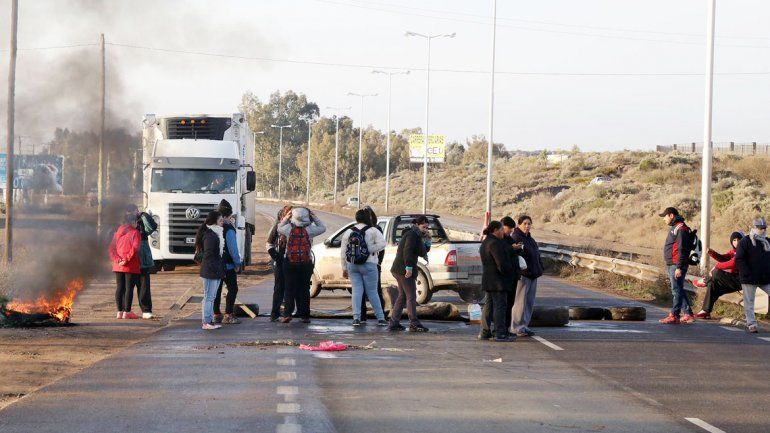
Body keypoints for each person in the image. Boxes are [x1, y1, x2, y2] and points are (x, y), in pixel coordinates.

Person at [277, 207, 326, 323]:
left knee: (289, 288)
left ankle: (287, 314)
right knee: (304, 289)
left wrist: (286, 217)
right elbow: (323, 228)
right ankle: (305, 315)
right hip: (306, 262)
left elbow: (279, 228)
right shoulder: (310, 230)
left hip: (290, 262)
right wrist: (314, 217)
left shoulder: (288, 229)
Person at [341, 208, 388, 326]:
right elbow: (382, 244)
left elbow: (343, 251)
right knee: (372, 292)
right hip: (370, 264)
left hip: (353, 265)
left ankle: (356, 318)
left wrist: (344, 268)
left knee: (357, 291)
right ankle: (381, 318)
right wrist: (368, 250)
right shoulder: (373, 230)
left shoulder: (348, 231)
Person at [388, 215, 431, 332]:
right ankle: (414, 323)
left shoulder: (417, 235)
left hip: (399, 269)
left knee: (402, 296)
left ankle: (394, 322)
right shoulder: (412, 235)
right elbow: (408, 251)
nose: (425, 229)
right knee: (411, 296)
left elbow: (422, 251)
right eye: (424, 227)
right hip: (403, 269)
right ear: (417, 225)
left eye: (427, 228)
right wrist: (408, 267)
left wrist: (427, 240)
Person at [478, 221, 517, 342]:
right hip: (498, 281)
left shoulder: (486, 242)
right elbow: (501, 264)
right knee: (500, 306)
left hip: (489, 280)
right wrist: (510, 271)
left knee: (488, 306)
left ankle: (484, 332)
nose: (503, 232)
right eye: (501, 230)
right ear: (495, 230)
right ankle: (499, 333)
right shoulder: (495, 243)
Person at [658, 207, 696, 324]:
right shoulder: (677, 227)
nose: (663, 219)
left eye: (664, 216)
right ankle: (688, 314)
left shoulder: (681, 228)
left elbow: (682, 249)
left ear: (671, 215)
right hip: (673, 264)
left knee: (676, 290)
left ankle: (674, 315)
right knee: (678, 289)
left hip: (676, 264)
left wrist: (679, 267)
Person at [693, 231, 744, 319]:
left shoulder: (744, 251)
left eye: (739, 240)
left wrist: (716, 267)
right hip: (733, 280)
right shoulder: (734, 251)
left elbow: (734, 263)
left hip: (741, 281)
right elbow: (724, 258)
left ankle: (705, 280)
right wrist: (712, 253)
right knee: (712, 284)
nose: (737, 242)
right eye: (734, 240)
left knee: (716, 272)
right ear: (731, 242)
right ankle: (705, 311)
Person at [510, 215, 544, 337]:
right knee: (520, 302)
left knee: (529, 302)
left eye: (529, 224)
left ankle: (524, 325)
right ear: (519, 224)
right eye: (524, 223)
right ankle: (516, 327)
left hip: (533, 275)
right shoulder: (516, 237)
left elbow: (537, 255)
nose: (527, 226)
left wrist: (540, 268)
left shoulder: (530, 239)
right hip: (523, 276)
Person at [735, 217, 770, 333]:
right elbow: (739, 259)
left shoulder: (768, 242)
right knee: (749, 302)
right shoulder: (745, 241)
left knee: (750, 301)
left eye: (764, 228)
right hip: (749, 278)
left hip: (765, 278)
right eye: (760, 228)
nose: (763, 230)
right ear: (754, 228)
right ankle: (752, 324)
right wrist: (746, 273)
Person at [212, 200, 243, 325]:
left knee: (217, 290)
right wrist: (237, 263)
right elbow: (233, 249)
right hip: (228, 265)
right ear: (227, 216)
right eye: (231, 217)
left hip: (215, 264)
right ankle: (228, 314)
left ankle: (216, 314)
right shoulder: (229, 229)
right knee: (233, 289)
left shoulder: (213, 227)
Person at [109, 205, 142, 320]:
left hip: (118, 265)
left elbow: (111, 249)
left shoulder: (117, 233)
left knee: (119, 288)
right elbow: (135, 248)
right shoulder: (135, 233)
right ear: (133, 222)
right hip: (130, 265)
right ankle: (127, 312)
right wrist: (126, 259)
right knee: (129, 288)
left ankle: (119, 312)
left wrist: (118, 260)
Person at [195, 210, 225, 330]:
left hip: (214, 270)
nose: (222, 222)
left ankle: (209, 320)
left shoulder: (215, 233)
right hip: (210, 271)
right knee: (208, 297)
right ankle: (206, 321)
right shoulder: (210, 235)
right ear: (214, 221)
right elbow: (208, 255)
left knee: (211, 297)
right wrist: (215, 269)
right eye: (220, 220)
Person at [360, 205, 386, 321]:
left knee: (360, 291)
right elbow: (382, 248)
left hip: (359, 263)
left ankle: (361, 315)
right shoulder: (377, 229)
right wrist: (379, 262)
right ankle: (381, 315)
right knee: (376, 291)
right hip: (374, 264)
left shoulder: (358, 229)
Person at [267, 205, 293, 321]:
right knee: (279, 288)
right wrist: (276, 257)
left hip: (293, 262)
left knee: (289, 289)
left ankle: (287, 314)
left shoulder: (297, 227)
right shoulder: (278, 227)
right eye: (289, 214)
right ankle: (275, 313)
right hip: (280, 262)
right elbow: (269, 244)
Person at [500, 216, 523, 332]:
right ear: (503, 226)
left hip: (513, 276)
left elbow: (515, 250)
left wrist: (518, 248)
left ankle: (507, 328)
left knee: (510, 303)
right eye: (509, 228)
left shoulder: (509, 239)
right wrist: (511, 248)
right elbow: (501, 254)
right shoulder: (498, 239)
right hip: (503, 278)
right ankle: (501, 329)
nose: (511, 231)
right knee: (502, 304)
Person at [136, 211, 158, 319]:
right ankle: (124, 310)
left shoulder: (141, 221)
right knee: (125, 287)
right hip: (129, 260)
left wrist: (144, 215)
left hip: (142, 260)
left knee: (144, 285)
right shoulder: (123, 222)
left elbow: (152, 227)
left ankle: (146, 310)